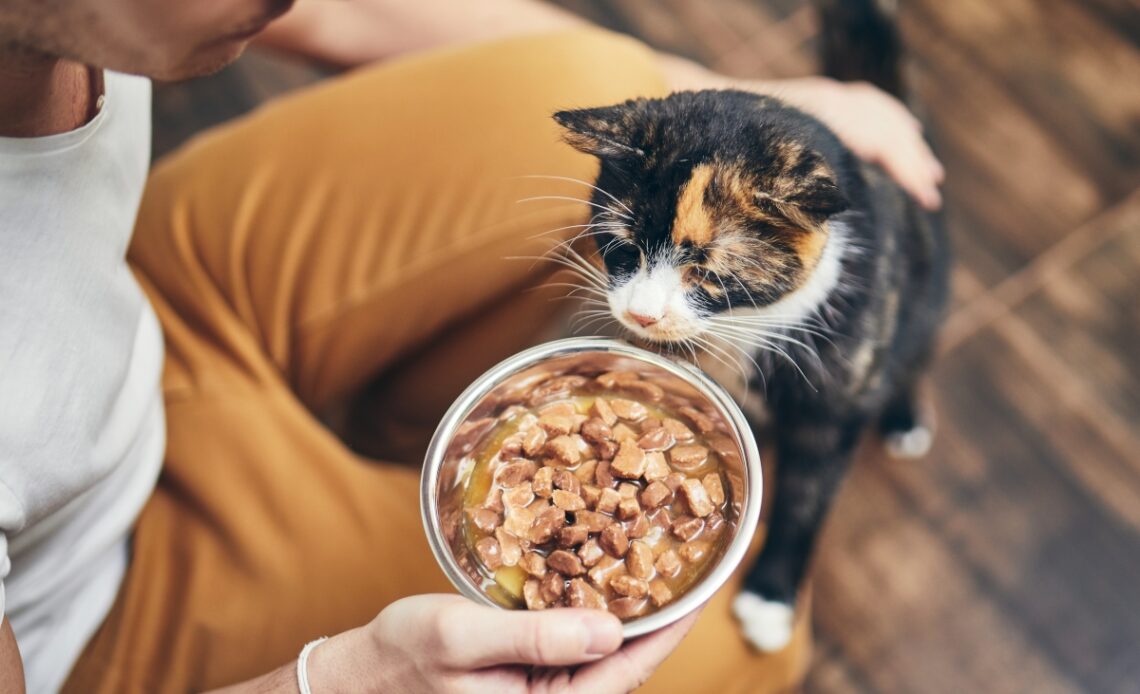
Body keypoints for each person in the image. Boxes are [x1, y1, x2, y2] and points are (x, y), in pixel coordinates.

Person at [0, 0, 943, 691]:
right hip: (97, 612)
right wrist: (349, 681)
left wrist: (743, 113)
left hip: (133, 300)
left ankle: (387, 427)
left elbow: (348, 12)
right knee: (739, 652)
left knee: (571, 73)